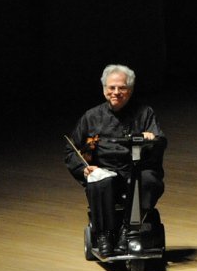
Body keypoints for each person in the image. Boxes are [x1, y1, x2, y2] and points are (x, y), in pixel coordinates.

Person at [64, 64, 167, 257]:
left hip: (136, 169)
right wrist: (83, 168)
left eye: (122, 88)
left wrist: (151, 140)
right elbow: (72, 150)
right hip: (106, 169)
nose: (116, 92)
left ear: (131, 90)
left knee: (149, 181)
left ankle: (127, 231)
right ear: (104, 89)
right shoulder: (92, 116)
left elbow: (160, 140)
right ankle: (105, 234)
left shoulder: (144, 113)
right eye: (111, 88)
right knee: (98, 178)